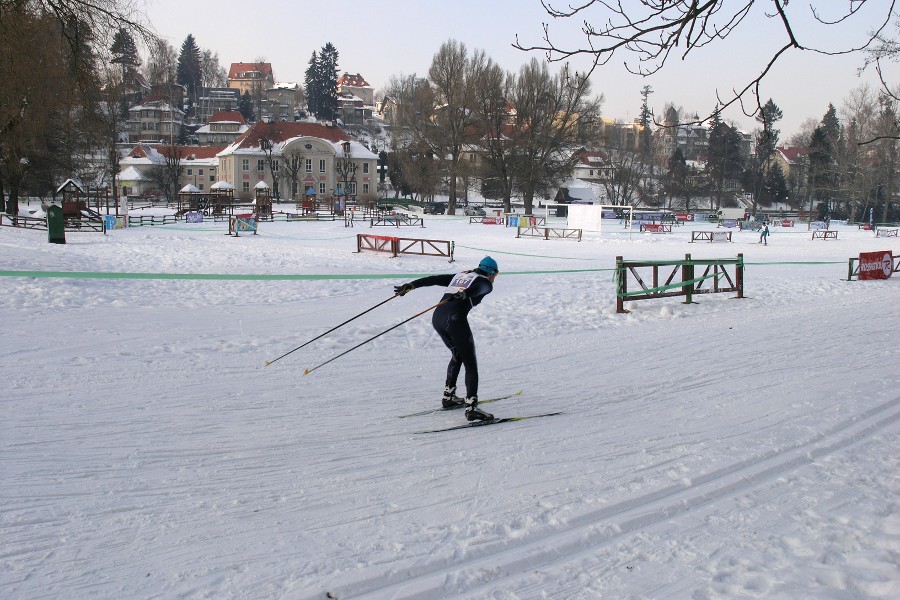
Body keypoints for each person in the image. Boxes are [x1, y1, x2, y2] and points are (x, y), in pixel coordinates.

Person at [393, 256, 499, 421]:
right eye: (495, 275)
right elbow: (481, 288)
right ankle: (471, 408)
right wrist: (465, 295)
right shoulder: (486, 282)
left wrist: (411, 285)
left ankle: (448, 397)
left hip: (438, 319)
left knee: (457, 356)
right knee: (470, 363)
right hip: (454, 320)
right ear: (492, 273)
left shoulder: (461, 276)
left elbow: (434, 279)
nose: (494, 279)